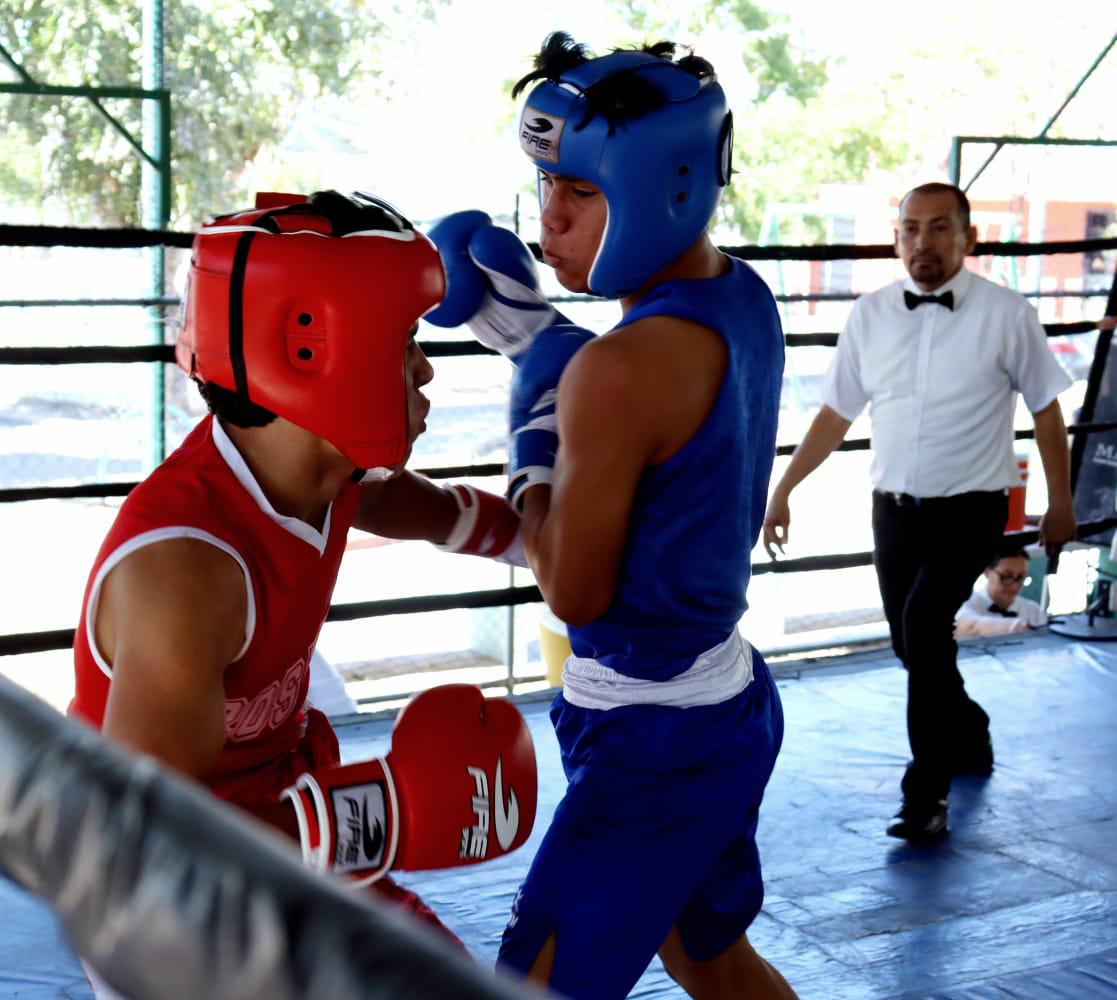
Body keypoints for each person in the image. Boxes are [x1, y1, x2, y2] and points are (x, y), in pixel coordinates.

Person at [425, 32, 795, 1000]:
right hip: (722, 702)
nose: (548, 219)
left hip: (653, 735)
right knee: (709, 958)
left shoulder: (617, 369)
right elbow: (653, 444)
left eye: (579, 193)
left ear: (662, 181)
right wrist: (541, 346)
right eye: (545, 186)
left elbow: (574, 584)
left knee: (537, 982)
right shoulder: (741, 298)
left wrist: (534, 421)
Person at [68, 190, 536, 944]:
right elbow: (148, 856)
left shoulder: (329, 474)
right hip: (169, 918)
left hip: (283, 817)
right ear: (312, 350)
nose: (425, 373)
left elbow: (405, 502)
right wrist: (382, 812)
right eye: (404, 341)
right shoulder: (186, 574)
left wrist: (536, 544)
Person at [762, 181, 1076, 842]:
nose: (922, 241)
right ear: (896, 237)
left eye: (938, 228)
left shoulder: (1005, 313)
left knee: (922, 626)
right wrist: (782, 488)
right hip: (894, 511)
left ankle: (924, 796)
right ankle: (968, 727)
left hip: (970, 509)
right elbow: (834, 414)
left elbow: (1046, 411)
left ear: (968, 238)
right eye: (910, 228)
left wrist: (1060, 502)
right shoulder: (871, 315)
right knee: (916, 646)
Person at [954, 545, 1047, 637]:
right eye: (1006, 577)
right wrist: (1015, 626)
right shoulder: (966, 603)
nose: (1014, 586)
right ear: (987, 572)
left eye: (1020, 577)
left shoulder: (1032, 610)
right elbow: (969, 626)